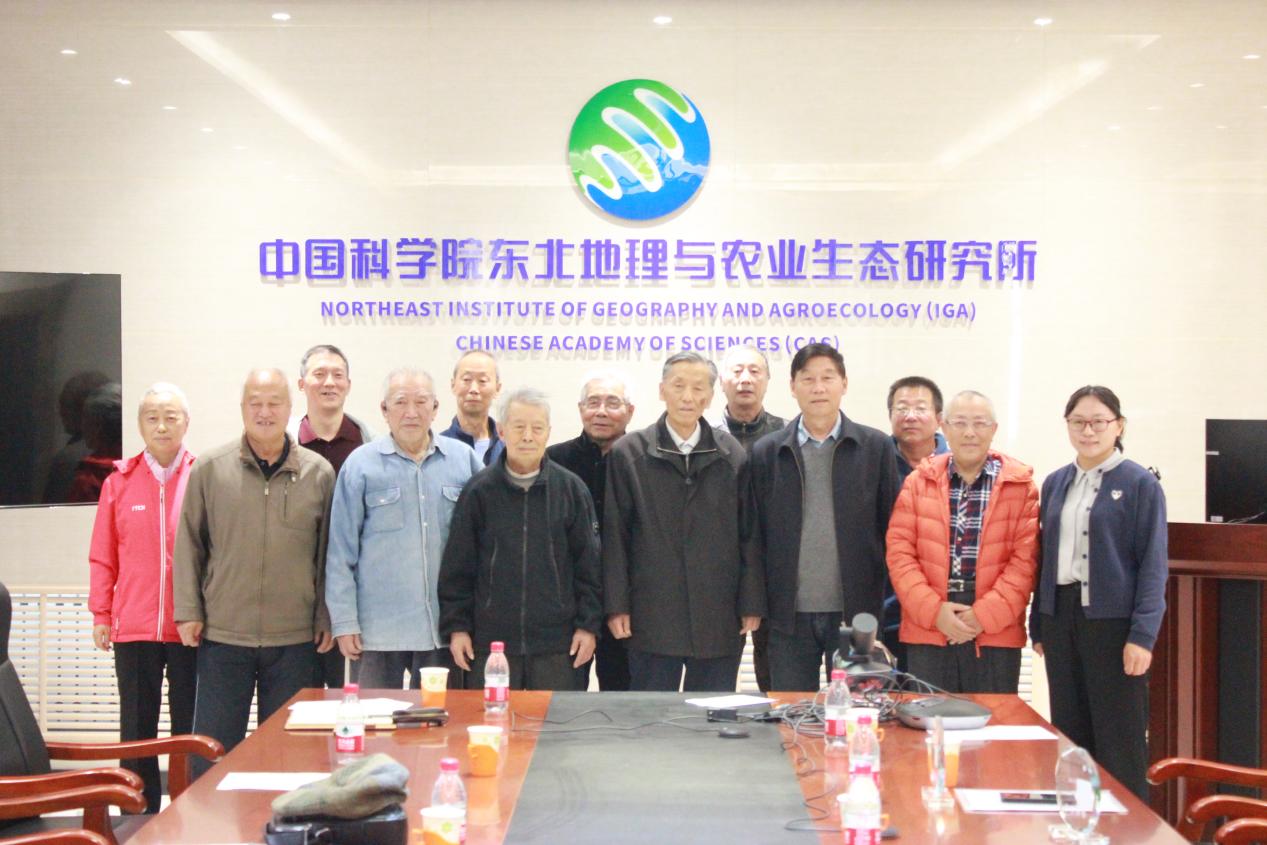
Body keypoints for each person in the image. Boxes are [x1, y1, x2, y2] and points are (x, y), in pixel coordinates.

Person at [173, 369, 335, 778]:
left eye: (274, 403)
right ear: (242, 408)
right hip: (224, 635)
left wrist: (325, 617)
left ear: (290, 407)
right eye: (255, 403)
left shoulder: (318, 473)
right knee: (211, 755)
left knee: (289, 757)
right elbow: (189, 543)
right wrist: (188, 610)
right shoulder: (210, 469)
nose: (265, 412)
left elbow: (327, 556)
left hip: (294, 640)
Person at [1030, 386, 1167, 801]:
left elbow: (1153, 565)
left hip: (1113, 624)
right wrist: (1039, 623)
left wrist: (1143, 636)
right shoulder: (1056, 483)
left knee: (1119, 737)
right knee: (1071, 733)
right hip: (1060, 618)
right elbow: (1043, 557)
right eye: (1078, 422)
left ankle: (1127, 826)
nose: (1088, 431)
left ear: (1118, 426)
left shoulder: (1140, 483)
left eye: (1098, 422)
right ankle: (1077, 818)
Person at [604, 351, 762, 692]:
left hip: (718, 613)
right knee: (651, 714)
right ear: (662, 390)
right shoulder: (629, 453)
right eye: (678, 386)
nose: (688, 396)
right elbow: (615, 537)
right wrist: (617, 605)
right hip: (651, 613)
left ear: (710, 396)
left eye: (698, 388)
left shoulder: (731, 454)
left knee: (711, 714)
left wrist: (751, 601)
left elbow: (749, 535)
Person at [747, 343, 898, 692]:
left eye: (827, 378)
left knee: (856, 710)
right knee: (790, 711)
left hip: (857, 615)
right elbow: (753, 536)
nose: (818, 388)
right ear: (792, 386)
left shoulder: (875, 447)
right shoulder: (767, 452)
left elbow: (892, 529)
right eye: (808, 379)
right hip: (786, 616)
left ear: (844, 384)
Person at [324, 368, 482, 690]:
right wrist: (344, 620)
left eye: (421, 402)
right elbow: (340, 552)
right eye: (400, 402)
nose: (411, 412)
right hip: (377, 633)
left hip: (444, 631)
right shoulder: (360, 465)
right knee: (375, 719)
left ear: (435, 408)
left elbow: (484, 544)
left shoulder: (463, 461)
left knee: (440, 718)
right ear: (384, 409)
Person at [439, 389, 602, 691]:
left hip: (558, 645)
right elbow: (457, 568)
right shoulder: (479, 491)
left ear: (548, 433)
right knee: (492, 720)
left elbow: (589, 567)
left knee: (556, 721)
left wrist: (588, 626)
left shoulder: (571, 490)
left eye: (537, 428)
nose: (528, 436)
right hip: (491, 645)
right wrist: (457, 628)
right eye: (518, 427)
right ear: (502, 431)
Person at [88, 383, 197, 813]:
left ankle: (191, 809)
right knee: (136, 726)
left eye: (171, 417)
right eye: (152, 418)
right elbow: (103, 555)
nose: (162, 426)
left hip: (189, 625)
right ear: (139, 425)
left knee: (188, 724)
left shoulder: (203, 476)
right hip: (133, 626)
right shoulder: (118, 481)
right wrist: (101, 613)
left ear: (186, 423)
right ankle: (137, 811)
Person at [886, 390, 1038, 693]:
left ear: (994, 429)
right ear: (944, 427)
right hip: (930, 622)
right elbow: (900, 554)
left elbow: (1026, 563)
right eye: (960, 423)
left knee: (994, 718)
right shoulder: (918, 482)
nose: (969, 432)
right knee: (929, 717)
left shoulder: (1020, 485)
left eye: (979, 423)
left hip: (994, 628)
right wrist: (935, 612)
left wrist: (983, 616)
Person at [288, 343, 373, 689]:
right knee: (298, 706)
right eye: (319, 374)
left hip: (353, 606)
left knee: (350, 706)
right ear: (301, 384)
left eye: (338, 375)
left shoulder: (367, 446)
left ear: (348, 384)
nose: (329, 382)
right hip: (297, 604)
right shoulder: (286, 446)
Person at [546, 373, 636, 691]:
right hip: (568, 607)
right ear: (580, 409)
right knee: (563, 702)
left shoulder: (643, 461)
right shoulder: (553, 461)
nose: (601, 411)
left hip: (627, 606)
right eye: (593, 402)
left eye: (612, 403)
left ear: (630, 411)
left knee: (624, 703)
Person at [712, 344, 787, 693]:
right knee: (718, 677)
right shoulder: (704, 435)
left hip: (775, 571)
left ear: (768, 380)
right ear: (721, 381)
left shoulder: (787, 436)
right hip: (721, 573)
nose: (745, 379)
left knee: (775, 674)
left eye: (755, 371)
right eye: (737, 371)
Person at [883, 375, 950, 669]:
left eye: (920, 408)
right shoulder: (873, 461)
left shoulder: (956, 466)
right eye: (901, 408)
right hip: (883, 609)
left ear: (939, 418)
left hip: (939, 614)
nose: (910, 416)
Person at [441, 350, 504, 466]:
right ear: (453, 385)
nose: (474, 389)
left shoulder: (509, 449)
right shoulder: (437, 449)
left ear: (497, 388)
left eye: (482, 381)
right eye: (466, 380)